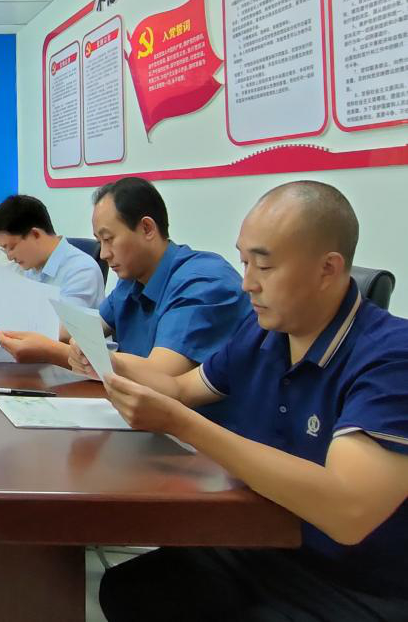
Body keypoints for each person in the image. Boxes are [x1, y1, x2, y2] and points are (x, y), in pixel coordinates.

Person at [82, 181, 408, 621]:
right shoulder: (262, 333)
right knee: (129, 590)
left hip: (352, 582)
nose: (248, 284)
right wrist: (108, 361)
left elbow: (347, 509)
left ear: (327, 269)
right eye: (244, 262)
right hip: (261, 542)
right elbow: (181, 389)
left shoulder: (390, 356)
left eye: (264, 266)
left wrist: (181, 423)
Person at [0, 177, 249, 380]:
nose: (104, 254)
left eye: (109, 239)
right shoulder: (131, 280)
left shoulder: (203, 282)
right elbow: (84, 330)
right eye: (99, 241)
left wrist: (51, 350)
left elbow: (162, 376)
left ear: (147, 228)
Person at [0, 194, 105, 308]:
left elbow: (64, 322)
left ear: (35, 234)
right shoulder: (28, 268)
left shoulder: (81, 271)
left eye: (12, 247)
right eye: (4, 249)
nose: (10, 257)